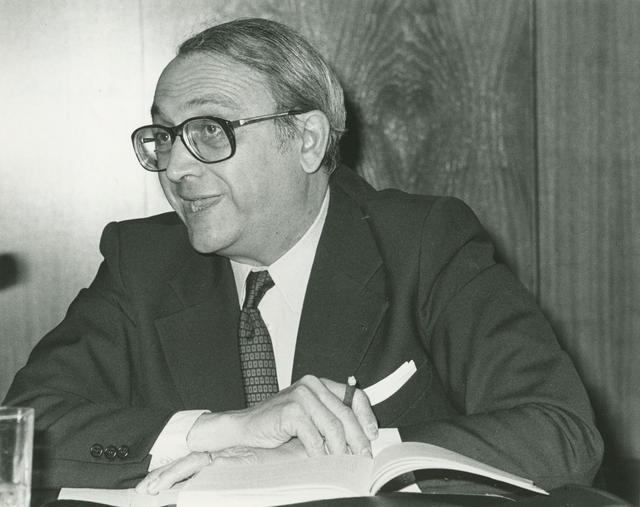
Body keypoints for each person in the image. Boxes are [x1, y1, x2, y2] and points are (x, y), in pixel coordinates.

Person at [4, 17, 603, 494]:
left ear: (308, 140)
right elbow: (23, 432)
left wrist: (331, 455)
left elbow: (560, 432)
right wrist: (223, 431)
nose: (177, 167)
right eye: (164, 137)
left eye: (210, 131)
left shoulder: (421, 242)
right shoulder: (142, 260)